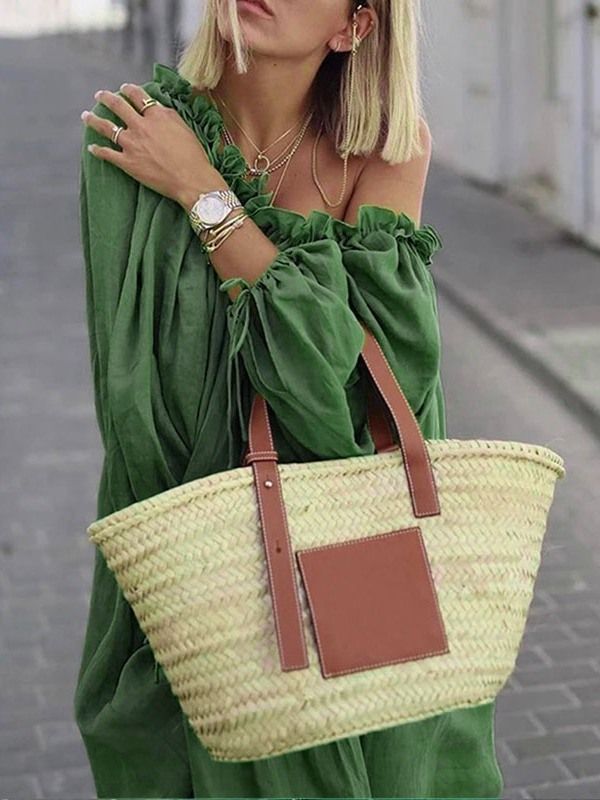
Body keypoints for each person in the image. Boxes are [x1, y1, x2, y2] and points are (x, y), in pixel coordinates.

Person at [74, 0, 504, 796]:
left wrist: (203, 193)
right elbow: (132, 401)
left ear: (355, 27)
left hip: (359, 549)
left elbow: (346, 399)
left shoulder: (387, 147)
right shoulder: (132, 136)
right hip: (198, 550)